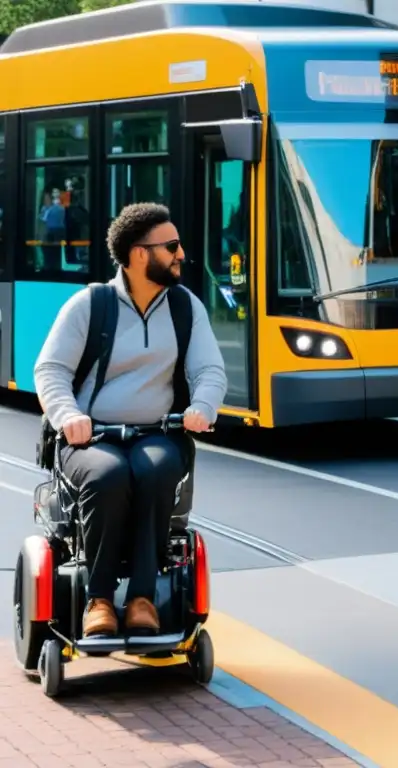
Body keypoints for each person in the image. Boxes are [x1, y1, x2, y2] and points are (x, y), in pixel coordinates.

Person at [34, 203, 228, 638]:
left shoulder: (184, 307)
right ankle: (99, 600)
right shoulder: (90, 304)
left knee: (154, 470)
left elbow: (209, 370)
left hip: (156, 433)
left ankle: (142, 598)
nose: (181, 255)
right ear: (141, 254)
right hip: (91, 438)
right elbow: (50, 370)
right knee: (109, 475)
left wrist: (203, 407)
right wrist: (68, 416)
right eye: (172, 246)